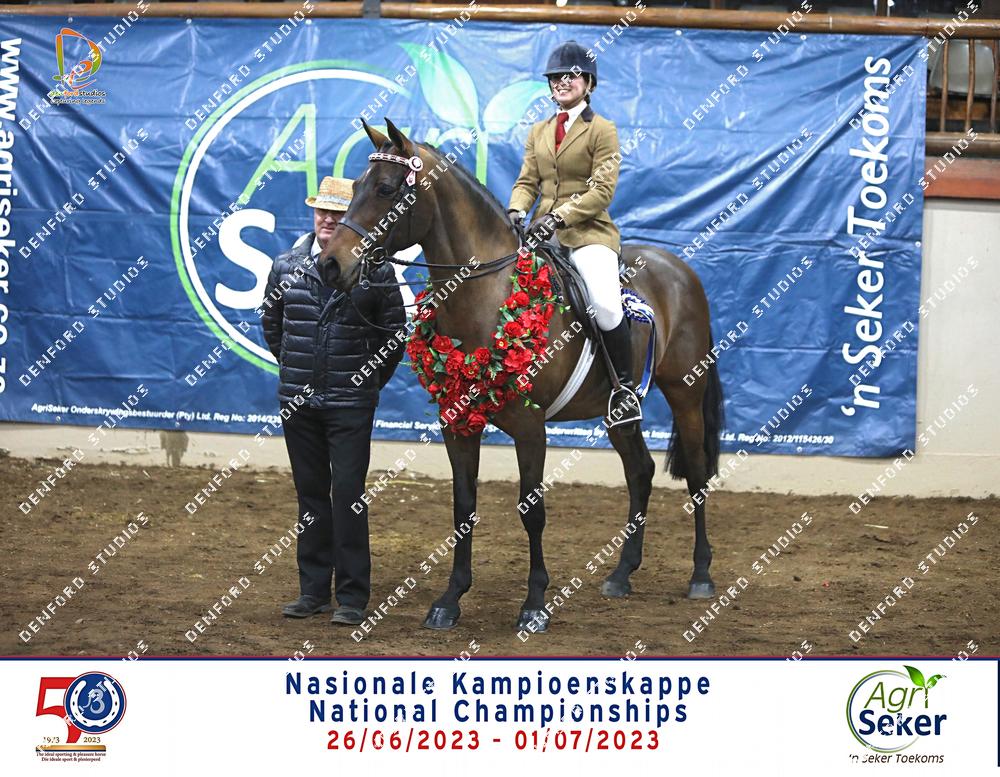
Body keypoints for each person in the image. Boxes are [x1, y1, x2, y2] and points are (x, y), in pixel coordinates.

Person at [261, 176, 405, 626]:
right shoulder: (285, 266)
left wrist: (365, 383)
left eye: (337, 213)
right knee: (310, 496)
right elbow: (274, 328)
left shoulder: (376, 270)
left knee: (347, 495)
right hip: (299, 401)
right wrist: (298, 371)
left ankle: (352, 597)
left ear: (351, 218)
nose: (327, 219)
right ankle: (313, 592)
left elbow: (393, 337)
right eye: (322, 210)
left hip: (350, 403)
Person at [507, 40, 640, 426]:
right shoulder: (539, 130)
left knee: (605, 304)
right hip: (540, 235)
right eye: (555, 77)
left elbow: (602, 190)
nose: (562, 82)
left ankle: (624, 389)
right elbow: (527, 181)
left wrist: (559, 218)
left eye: (571, 76)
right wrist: (516, 209)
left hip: (587, 233)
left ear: (589, 83)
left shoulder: (603, 130)